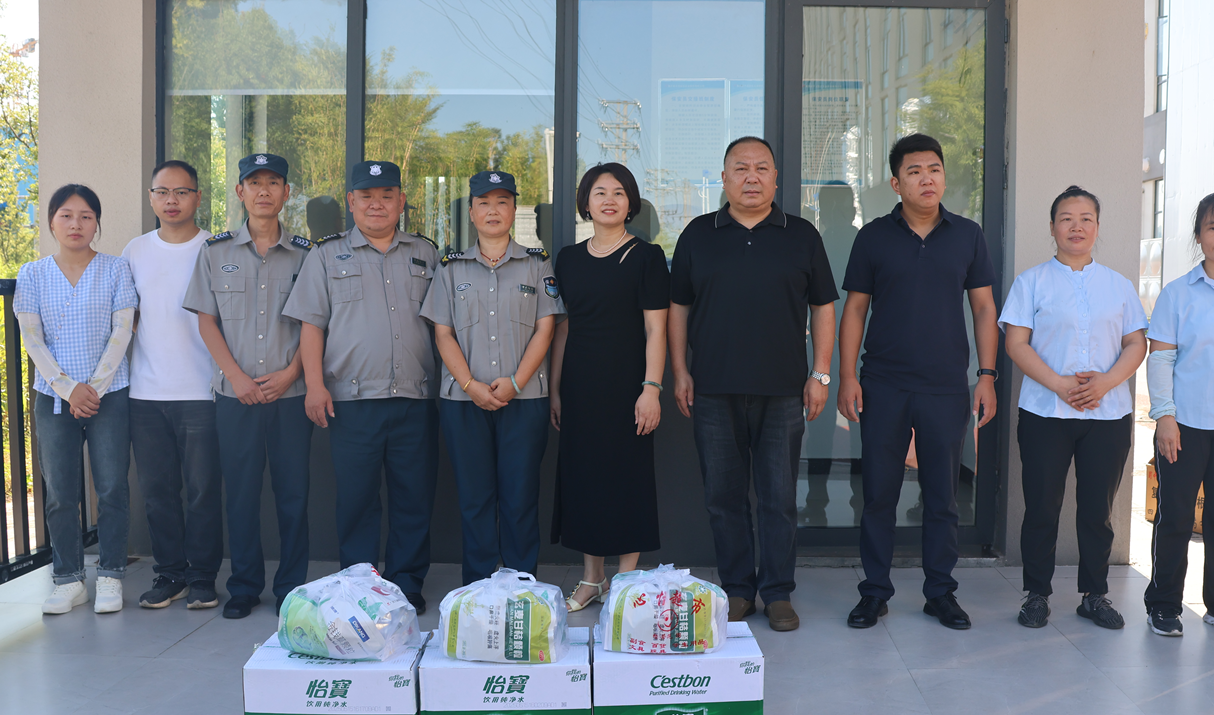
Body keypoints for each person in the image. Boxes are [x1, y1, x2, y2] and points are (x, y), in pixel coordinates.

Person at [669, 136, 838, 633]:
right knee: (723, 498)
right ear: (724, 178)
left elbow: (823, 307)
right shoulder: (698, 234)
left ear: (776, 179)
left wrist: (820, 373)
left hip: (783, 389)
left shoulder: (801, 235)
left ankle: (778, 591)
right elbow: (678, 307)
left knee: (778, 498)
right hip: (712, 388)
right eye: (740, 168)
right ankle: (738, 589)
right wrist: (680, 370)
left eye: (761, 168)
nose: (751, 177)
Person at [838, 133, 998, 630]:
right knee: (879, 495)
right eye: (914, 171)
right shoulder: (873, 237)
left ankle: (940, 592)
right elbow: (855, 310)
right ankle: (874, 592)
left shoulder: (967, 235)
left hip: (946, 386)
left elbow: (984, 308)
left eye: (934, 169)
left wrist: (986, 376)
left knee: (942, 497)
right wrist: (847, 376)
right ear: (896, 183)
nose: (927, 178)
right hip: (883, 383)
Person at [284, 160, 439, 611]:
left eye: (387, 195)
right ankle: (360, 585)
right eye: (367, 196)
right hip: (350, 401)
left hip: (414, 397)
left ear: (401, 202)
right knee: (356, 500)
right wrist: (314, 385)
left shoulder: (426, 253)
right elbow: (311, 325)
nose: (377, 204)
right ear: (351, 202)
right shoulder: (326, 255)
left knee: (414, 498)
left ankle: (407, 584)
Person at [1000, 186, 1146, 629]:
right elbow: (1016, 343)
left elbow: (1136, 343)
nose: (1076, 226)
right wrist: (1061, 385)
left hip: (1108, 414)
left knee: (1098, 510)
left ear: (1097, 227)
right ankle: (1036, 594)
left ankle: (1094, 595)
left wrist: (1106, 381)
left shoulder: (1119, 285)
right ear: (1052, 227)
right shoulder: (1031, 282)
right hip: (1045, 412)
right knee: (1041, 507)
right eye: (1066, 218)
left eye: (1086, 219)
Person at [183, 153, 314, 619]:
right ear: (240, 192)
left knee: (293, 495)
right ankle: (243, 586)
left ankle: (291, 588)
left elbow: (316, 323)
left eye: (273, 182)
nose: (263, 191)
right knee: (239, 494)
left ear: (286, 192)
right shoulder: (215, 252)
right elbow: (206, 320)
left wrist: (292, 373)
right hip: (234, 395)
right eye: (254, 183)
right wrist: (236, 377)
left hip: (290, 395)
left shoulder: (307, 254)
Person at [420, 170, 563, 586]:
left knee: (520, 498)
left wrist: (515, 383)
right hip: (464, 401)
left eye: (502, 202)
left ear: (514, 209)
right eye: (484, 203)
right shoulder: (451, 268)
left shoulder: (537, 264)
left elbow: (546, 329)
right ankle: (478, 590)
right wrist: (470, 385)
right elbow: (442, 334)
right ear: (471, 211)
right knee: (475, 499)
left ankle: (521, 590)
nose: (493, 210)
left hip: (525, 400)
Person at [550, 163, 669, 611]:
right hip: (580, 384)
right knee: (584, 478)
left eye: (619, 192)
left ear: (630, 203)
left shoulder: (646, 257)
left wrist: (651, 388)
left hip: (628, 386)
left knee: (626, 478)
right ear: (585, 202)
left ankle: (625, 580)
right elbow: (564, 327)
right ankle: (592, 578)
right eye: (599, 192)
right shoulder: (568, 258)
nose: (609, 200)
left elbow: (656, 330)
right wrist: (556, 389)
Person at [16, 184, 137, 614]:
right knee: (60, 493)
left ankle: (110, 575)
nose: (76, 224)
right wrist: (69, 388)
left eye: (86, 216)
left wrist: (93, 388)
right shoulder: (32, 274)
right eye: (66, 215)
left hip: (109, 395)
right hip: (53, 398)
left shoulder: (116, 269)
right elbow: (32, 338)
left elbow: (122, 330)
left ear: (96, 223)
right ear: (51, 221)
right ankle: (68, 579)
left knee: (112, 488)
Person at [124, 160, 223, 610]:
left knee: (203, 491)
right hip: (145, 393)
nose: (171, 200)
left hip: (202, 391)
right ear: (151, 198)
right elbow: (127, 318)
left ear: (198, 197)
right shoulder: (135, 251)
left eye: (182, 192)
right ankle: (170, 575)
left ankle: (202, 577)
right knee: (158, 492)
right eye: (162, 192)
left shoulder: (215, 249)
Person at [1144, 191, 1214, 637]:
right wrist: (1164, 417)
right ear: (1199, 235)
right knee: (1175, 518)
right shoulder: (1177, 294)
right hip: (1185, 424)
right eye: (1213, 227)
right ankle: (1165, 604)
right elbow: (1160, 359)